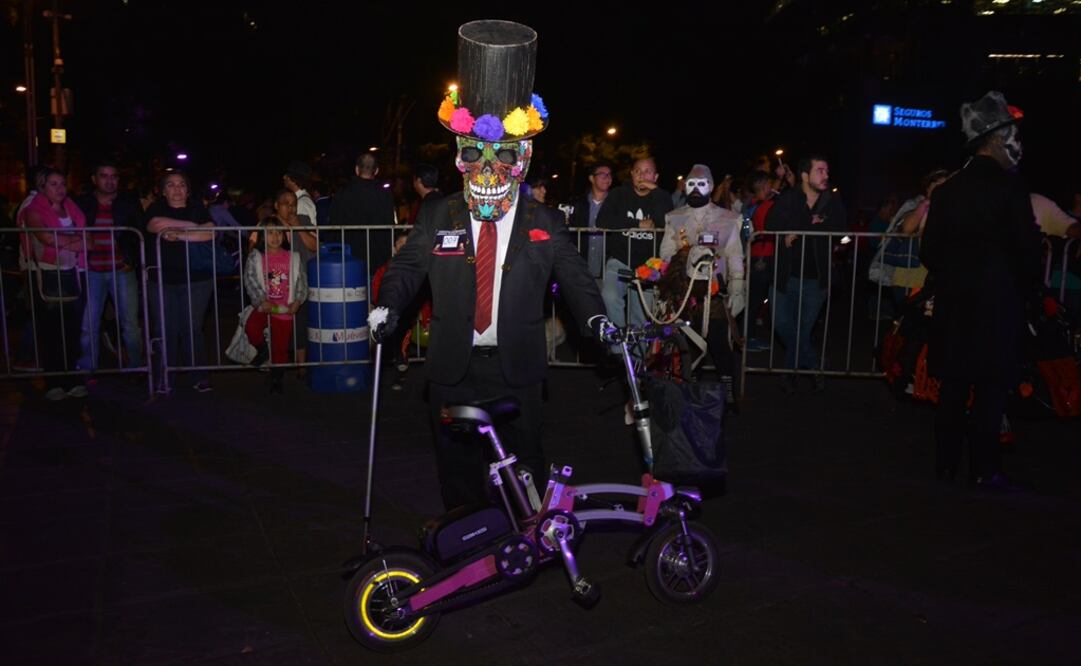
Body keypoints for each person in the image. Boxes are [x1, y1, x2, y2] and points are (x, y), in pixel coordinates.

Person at [370, 20, 607, 511]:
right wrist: (386, 308)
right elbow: (408, 266)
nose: (488, 171)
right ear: (460, 157)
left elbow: (577, 279)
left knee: (523, 467)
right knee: (456, 467)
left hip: (516, 366)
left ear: (522, 160)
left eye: (503, 157)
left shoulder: (543, 221)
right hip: (453, 366)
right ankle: (465, 543)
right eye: (475, 155)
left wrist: (599, 320)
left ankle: (522, 541)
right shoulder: (440, 212)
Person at [920, 91, 1041, 490]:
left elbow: (929, 250)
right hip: (997, 306)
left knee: (953, 388)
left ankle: (944, 465)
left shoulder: (949, 190)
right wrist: (1027, 290)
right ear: (994, 138)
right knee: (990, 390)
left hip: (955, 305)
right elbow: (1027, 250)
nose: (1018, 144)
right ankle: (983, 468)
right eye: (1012, 134)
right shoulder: (1011, 189)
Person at [659, 163, 745, 407]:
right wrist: (681, 257)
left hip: (714, 291)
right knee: (687, 341)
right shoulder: (674, 218)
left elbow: (734, 254)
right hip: (684, 292)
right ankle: (688, 388)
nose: (696, 189)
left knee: (718, 341)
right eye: (691, 184)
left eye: (702, 184)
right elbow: (665, 253)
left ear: (711, 187)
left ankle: (728, 389)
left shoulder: (729, 219)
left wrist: (738, 288)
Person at [764, 154, 847, 393]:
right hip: (785, 276)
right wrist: (803, 225)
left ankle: (789, 374)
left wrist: (804, 228)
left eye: (827, 171)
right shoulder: (789, 199)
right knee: (781, 324)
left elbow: (842, 231)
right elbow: (770, 225)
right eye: (820, 170)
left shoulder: (833, 201)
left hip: (817, 281)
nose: (826, 175)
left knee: (802, 330)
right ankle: (813, 365)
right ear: (804, 175)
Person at [143, 171, 217, 393]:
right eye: (171, 185)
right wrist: (192, 227)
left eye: (182, 185)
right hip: (161, 279)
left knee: (192, 328)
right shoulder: (155, 209)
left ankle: (199, 375)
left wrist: (178, 233)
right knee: (166, 328)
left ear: (188, 189)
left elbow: (210, 232)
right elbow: (154, 224)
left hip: (196, 279)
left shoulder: (198, 208)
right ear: (163, 190)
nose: (177, 189)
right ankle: (165, 376)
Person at [20, 168, 88, 400]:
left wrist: (64, 242)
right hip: (48, 274)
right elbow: (45, 237)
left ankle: (71, 378)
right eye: (53, 184)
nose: (59, 189)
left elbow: (87, 239)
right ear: (43, 187)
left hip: (72, 272)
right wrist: (73, 241)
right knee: (51, 329)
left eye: (62, 184)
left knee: (71, 328)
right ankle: (54, 381)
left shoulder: (72, 207)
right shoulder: (33, 210)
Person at [76, 160, 145, 372]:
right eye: (104, 176)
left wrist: (131, 261)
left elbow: (139, 234)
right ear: (94, 179)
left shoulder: (128, 203)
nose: (109, 181)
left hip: (121, 270)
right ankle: (89, 367)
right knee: (89, 324)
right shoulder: (82, 203)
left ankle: (136, 366)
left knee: (130, 324)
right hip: (92, 271)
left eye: (113, 176)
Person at [596, 157, 673, 339]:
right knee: (609, 296)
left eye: (647, 172)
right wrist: (637, 223)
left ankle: (638, 359)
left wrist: (656, 191)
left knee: (641, 314)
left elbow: (668, 221)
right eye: (638, 171)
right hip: (620, 260)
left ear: (655, 176)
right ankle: (620, 344)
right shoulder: (618, 194)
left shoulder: (662, 197)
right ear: (631, 174)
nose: (642, 176)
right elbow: (602, 220)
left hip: (649, 265)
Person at [244, 218, 309, 394]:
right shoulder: (256, 257)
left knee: (280, 347)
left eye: (279, 232)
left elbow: (301, 281)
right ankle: (262, 350)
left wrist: (297, 300)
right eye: (270, 232)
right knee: (251, 327)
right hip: (264, 306)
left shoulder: (292, 257)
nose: (275, 237)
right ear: (262, 236)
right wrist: (260, 300)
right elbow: (250, 279)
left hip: (284, 309)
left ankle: (276, 378)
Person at [330, 152, 396, 273]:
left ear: (356, 169)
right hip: (378, 259)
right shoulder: (385, 196)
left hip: (349, 260)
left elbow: (333, 226)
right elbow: (391, 225)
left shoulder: (342, 194)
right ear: (376, 171)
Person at [567, 163, 613, 279]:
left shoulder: (616, 204)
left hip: (607, 271)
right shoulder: (577, 204)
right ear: (592, 178)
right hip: (580, 270)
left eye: (609, 175)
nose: (607, 178)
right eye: (602, 174)